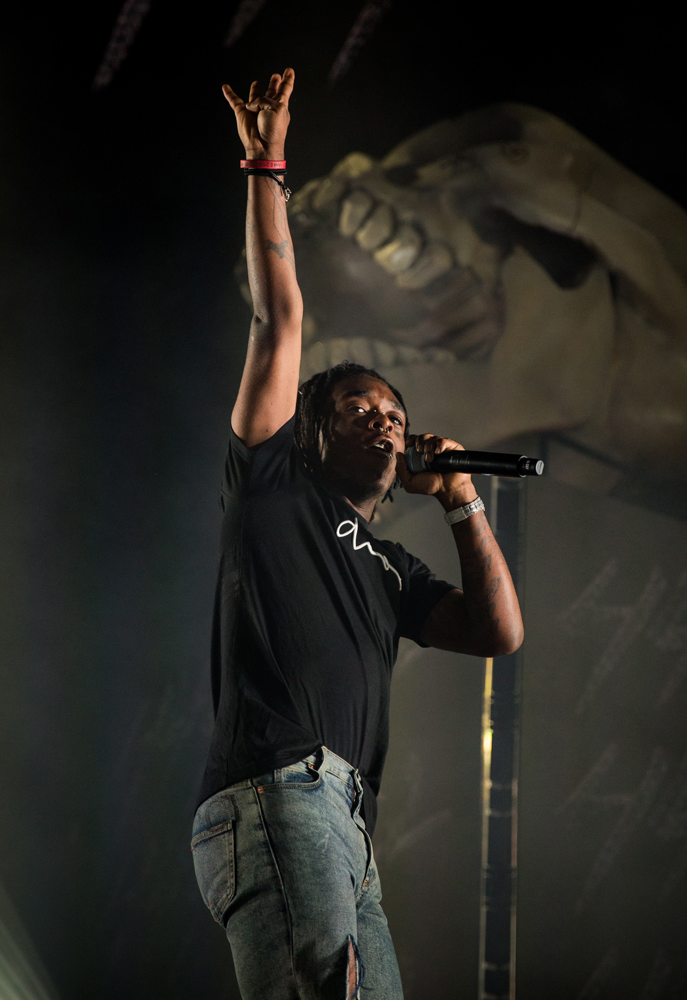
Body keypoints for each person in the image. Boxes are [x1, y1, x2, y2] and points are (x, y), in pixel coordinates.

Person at [191, 67, 523, 1000]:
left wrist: (460, 497)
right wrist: (265, 163)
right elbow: (281, 314)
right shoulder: (271, 488)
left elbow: (498, 632)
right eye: (356, 407)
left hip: (346, 821)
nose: (382, 419)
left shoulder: (390, 566)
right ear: (311, 430)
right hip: (277, 795)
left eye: (392, 410)